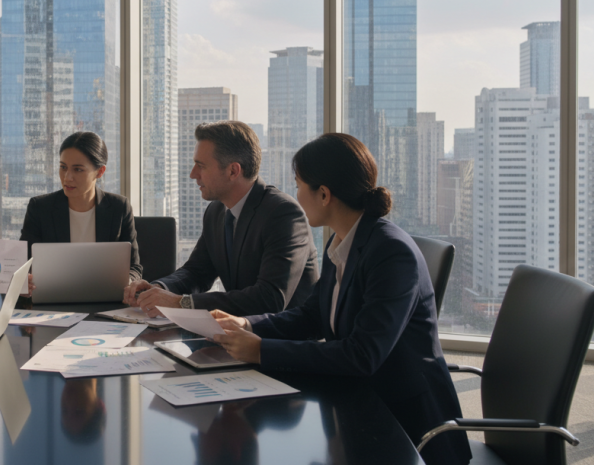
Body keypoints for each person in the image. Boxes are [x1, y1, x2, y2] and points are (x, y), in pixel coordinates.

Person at [210, 133, 471, 465]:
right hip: (357, 409)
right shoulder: (344, 242)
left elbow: (363, 354)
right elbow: (311, 316)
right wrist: (247, 324)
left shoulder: (391, 253)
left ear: (324, 194)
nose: (296, 196)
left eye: (299, 185)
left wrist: (261, 350)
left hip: (406, 430)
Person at [125, 120, 318, 317]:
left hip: (282, 342)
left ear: (233, 171)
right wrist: (157, 289)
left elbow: (269, 298)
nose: (193, 174)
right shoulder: (216, 211)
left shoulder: (283, 215)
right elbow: (197, 272)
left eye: (201, 166)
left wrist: (181, 303)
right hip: (238, 335)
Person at [20, 131, 143, 282]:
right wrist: (25, 281)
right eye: (63, 167)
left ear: (100, 171)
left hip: (107, 300)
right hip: (54, 300)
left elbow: (134, 267)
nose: (67, 177)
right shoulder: (39, 208)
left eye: (78, 169)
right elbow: (24, 265)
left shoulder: (119, 208)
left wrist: (127, 283)